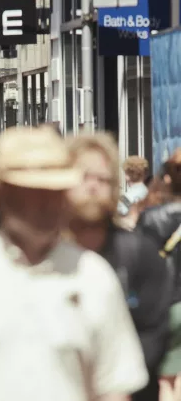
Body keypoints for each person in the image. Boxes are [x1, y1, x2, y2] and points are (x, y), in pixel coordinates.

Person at [0, 126, 148, 401]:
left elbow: (113, 386)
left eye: (56, 191)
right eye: (33, 192)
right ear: (4, 194)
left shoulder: (92, 276)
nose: (47, 204)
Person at [66, 133, 171, 401]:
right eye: (84, 177)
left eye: (102, 180)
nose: (92, 187)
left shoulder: (140, 253)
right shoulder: (43, 256)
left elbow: (153, 334)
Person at [136, 149, 181, 400]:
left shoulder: (151, 218)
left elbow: (142, 262)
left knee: (164, 378)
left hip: (165, 303)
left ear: (166, 179)